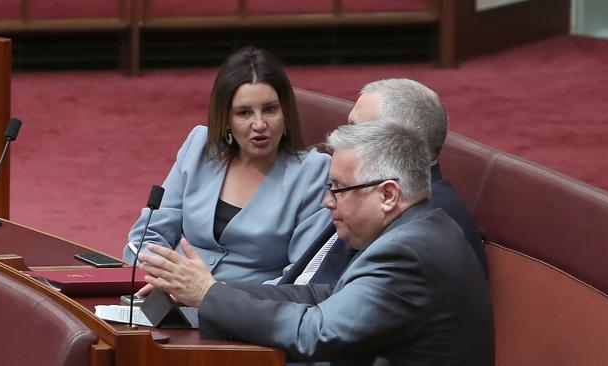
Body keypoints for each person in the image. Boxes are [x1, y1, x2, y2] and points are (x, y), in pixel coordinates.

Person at [138, 120, 495, 365]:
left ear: (387, 194)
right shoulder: (418, 227)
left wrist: (209, 295)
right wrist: (209, 289)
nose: (327, 202)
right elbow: (322, 296)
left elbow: (315, 333)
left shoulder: (408, 253)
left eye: (338, 188)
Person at [123, 47, 331, 285]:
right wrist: (163, 278)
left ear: (286, 112)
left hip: (248, 313)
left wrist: (219, 298)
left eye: (270, 109)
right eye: (244, 113)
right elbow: (146, 236)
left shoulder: (314, 172)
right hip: (171, 295)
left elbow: (303, 277)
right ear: (227, 119)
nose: (259, 124)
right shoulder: (200, 147)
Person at [279, 78, 486, 287]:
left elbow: (332, 305)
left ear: (401, 142)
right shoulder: (367, 186)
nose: (343, 136)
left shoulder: (419, 216)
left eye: (356, 129)